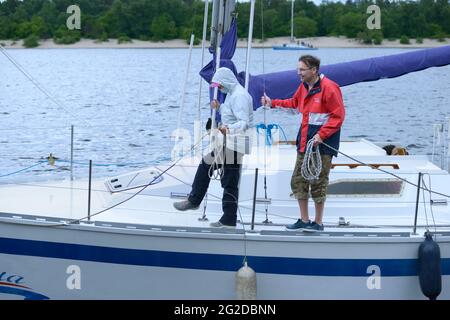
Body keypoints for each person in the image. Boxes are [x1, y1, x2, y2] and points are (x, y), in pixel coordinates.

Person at [261, 55, 345, 231]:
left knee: (318, 182)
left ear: (313, 70)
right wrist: (272, 103)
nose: (298, 73)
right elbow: (293, 104)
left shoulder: (330, 88)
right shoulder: (304, 87)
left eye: (302, 70)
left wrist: (321, 135)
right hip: (305, 143)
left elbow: (338, 117)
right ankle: (304, 220)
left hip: (322, 145)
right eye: (298, 69)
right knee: (298, 180)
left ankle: (318, 222)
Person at [173, 67, 253, 228]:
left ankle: (196, 202)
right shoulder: (233, 94)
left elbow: (244, 122)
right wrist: (219, 107)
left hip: (236, 143)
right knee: (223, 175)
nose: (219, 88)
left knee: (213, 169)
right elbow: (232, 113)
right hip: (231, 142)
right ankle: (226, 217)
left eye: (220, 84)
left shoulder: (240, 96)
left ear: (226, 80)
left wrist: (228, 128)